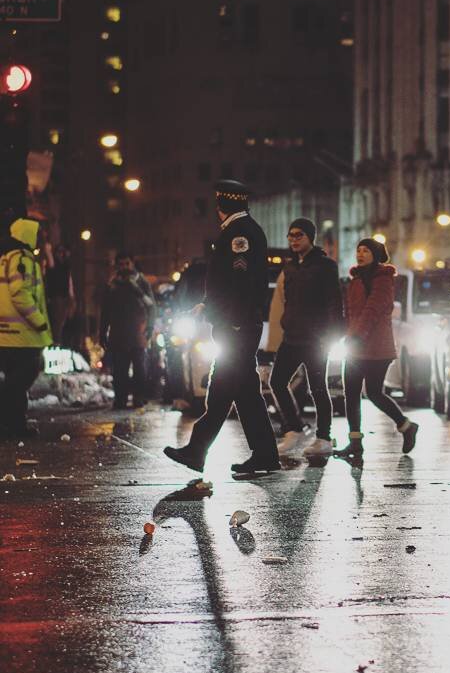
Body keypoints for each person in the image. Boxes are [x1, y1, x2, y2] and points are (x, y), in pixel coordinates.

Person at [163, 180, 279, 475]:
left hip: (236, 325)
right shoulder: (240, 230)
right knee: (244, 393)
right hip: (235, 322)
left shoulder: (240, 233)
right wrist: (207, 304)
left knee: (223, 389)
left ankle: (197, 450)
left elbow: (241, 283)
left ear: (221, 204)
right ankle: (264, 454)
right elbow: (227, 283)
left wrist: (235, 320)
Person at [270, 218, 343, 461]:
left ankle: (323, 439)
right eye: (290, 235)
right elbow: (287, 300)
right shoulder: (289, 267)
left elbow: (335, 302)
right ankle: (294, 429)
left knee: (318, 388)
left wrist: (332, 334)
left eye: (298, 235)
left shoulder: (325, 266)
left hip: (316, 339)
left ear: (310, 237)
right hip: (292, 336)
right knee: (277, 382)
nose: (293, 239)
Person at [339, 237, 418, 462]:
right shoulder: (354, 279)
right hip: (355, 346)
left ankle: (406, 426)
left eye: (365, 251)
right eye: (358, 250)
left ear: (375, 254)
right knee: (351, 394)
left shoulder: (383, 279)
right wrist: (347, 336)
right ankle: (355, 443)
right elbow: (350, 313)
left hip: (376, 347)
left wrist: (356, 336)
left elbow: (372, 310)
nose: (360, 254)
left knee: (373, 393)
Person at [0, 216, 52, 440]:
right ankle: (13, 425)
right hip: (23, 335)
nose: (40, 238)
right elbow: (20, 293)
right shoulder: (23, 260)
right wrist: (39, 321)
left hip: (8, 335)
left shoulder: (7, 258)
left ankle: (14, 426)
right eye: (38, 234)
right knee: (20, 379)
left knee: (15, 381)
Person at [100, 253, 155, 409]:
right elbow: (105, 310)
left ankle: (139, 397)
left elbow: (151, 306)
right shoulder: (112, 284)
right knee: (120, 371)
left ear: (132, 264)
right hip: (118, 334)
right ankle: (120, 399)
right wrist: (102, 332)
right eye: (121, 264)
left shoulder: (141, 282)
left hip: (139, 333)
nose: (124, 267)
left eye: (127, 264)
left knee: (140, 369)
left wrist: (150, 326)